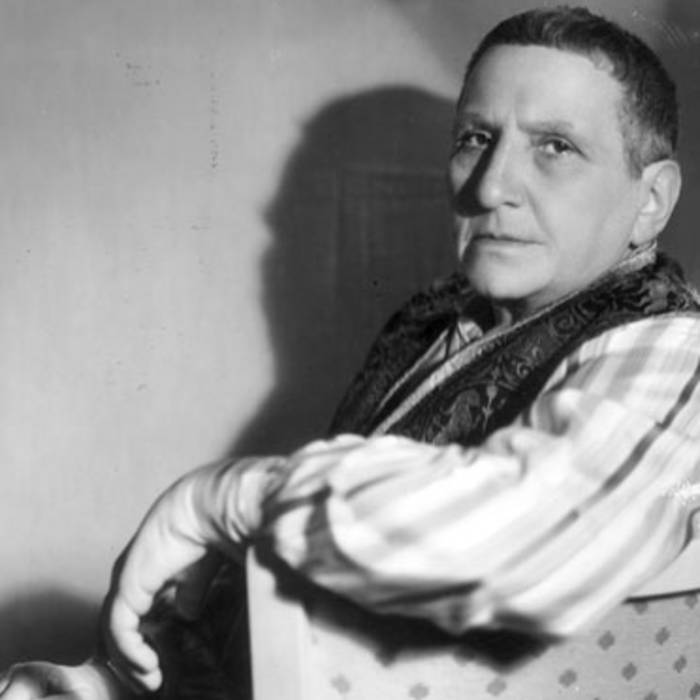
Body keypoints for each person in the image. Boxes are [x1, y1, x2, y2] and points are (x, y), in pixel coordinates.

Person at [3, 5, 700, 698]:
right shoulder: (434, 321)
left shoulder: (674, 343)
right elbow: (307, 604)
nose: (489, 187)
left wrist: (223, 499)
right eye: (476, 138)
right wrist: (112, 684)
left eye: (556, 147)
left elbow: (540, 536)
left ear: (652, 201)